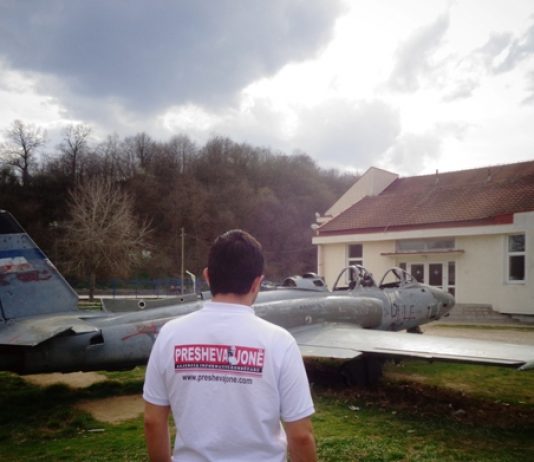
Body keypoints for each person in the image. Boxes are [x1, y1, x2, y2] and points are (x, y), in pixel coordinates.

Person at [143, 229, 317, 462]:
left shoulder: (170, 335)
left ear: (207, 276)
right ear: (257, 283)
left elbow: (152, 420)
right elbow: (301, 436)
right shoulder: (280, 342)